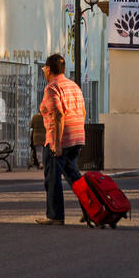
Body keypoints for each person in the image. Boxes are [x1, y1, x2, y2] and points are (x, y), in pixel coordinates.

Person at [36, 54, 88, 225]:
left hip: (59, 139)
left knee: (53, 178)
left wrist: (57, 144)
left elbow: (58, 114)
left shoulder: (52, 88)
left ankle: (55, 216)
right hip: (77, 137)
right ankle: (90, 209)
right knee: (74, 177)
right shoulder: (74, 86)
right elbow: (83, 111)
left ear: (48, 70)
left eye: (44, 69)